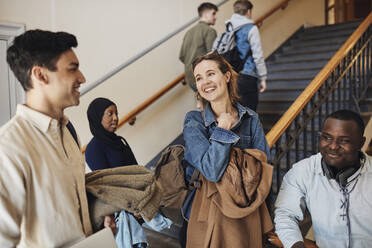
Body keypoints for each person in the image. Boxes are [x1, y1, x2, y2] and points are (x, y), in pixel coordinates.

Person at [0, 29, 95, 247]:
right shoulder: (8, 148)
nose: (82, 78)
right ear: (40, 75)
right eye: (73, 69)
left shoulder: (67, 131)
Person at [181, 51, 270, 247]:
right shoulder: (193, 121)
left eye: (211, 73)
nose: (205, 82)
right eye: (199, 78)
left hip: (245, 211)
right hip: (206, 212)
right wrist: (222, 129)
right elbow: (211, 170)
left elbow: (263, 167)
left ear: (227, 76)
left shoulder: (251, 119)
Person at [274, 110, 372, 248]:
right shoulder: (302, 171)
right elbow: (286, 215)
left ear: (361, 143)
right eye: (327, 138)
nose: (333, 146)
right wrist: (296, 244)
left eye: (344, 141)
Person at [85, 97, 148, 248]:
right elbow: (105, 185)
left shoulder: (120, 141)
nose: (115, 118)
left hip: (136, 204)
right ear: (97, 117)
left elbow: (135, 171)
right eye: (110, 113)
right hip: (119, 211)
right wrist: (131, 207)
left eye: (116, 113)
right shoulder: (94, 148)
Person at [225, 0, 267, 111]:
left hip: (232, 76)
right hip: (247, 75)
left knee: (236, 112)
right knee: (250, 112)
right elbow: (258, 56)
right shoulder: (251, 28)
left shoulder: (229, 28)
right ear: (248, 12)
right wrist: (263, 77)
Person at [179, 2, 218, 92]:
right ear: (205, 14)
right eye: (213, 13)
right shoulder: (209, 31)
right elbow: (213, 57)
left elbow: (181, 56)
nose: (215, 17)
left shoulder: (189, 32)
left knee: (202, 102)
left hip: (190, 79)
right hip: (204, 78)